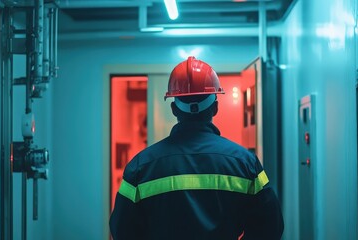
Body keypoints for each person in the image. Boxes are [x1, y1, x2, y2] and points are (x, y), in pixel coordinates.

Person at [109, 56, 284, 240]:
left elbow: (122, 231)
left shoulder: (140, 167)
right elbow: (271, 228)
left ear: (174, 110)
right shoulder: (246, 164)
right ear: (215, 108)